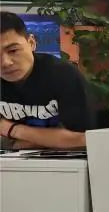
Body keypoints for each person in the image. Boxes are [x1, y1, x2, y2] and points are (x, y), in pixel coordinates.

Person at [0, 11, 95, 149]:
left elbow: (82, 139)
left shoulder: (63, 75)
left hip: (67, 160)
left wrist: (13, 130)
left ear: (31, 43)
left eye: (13, 51)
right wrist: (51, 139)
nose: (5, 63)